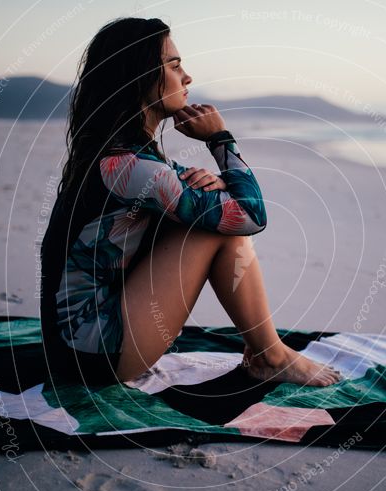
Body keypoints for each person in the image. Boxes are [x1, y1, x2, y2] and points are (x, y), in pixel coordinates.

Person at [40, 16, 342, 387]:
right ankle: (271, 355)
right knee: (221, 229)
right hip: (93, 354)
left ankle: (269, 353)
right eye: (174, 65)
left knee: (212, 216)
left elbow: (202, 200)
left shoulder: (121, 156)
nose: (187, 77)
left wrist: (212, 190)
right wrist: (220, 139)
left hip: (76, 346)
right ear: (140, 75)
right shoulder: (131, 166)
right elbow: (251, 217)